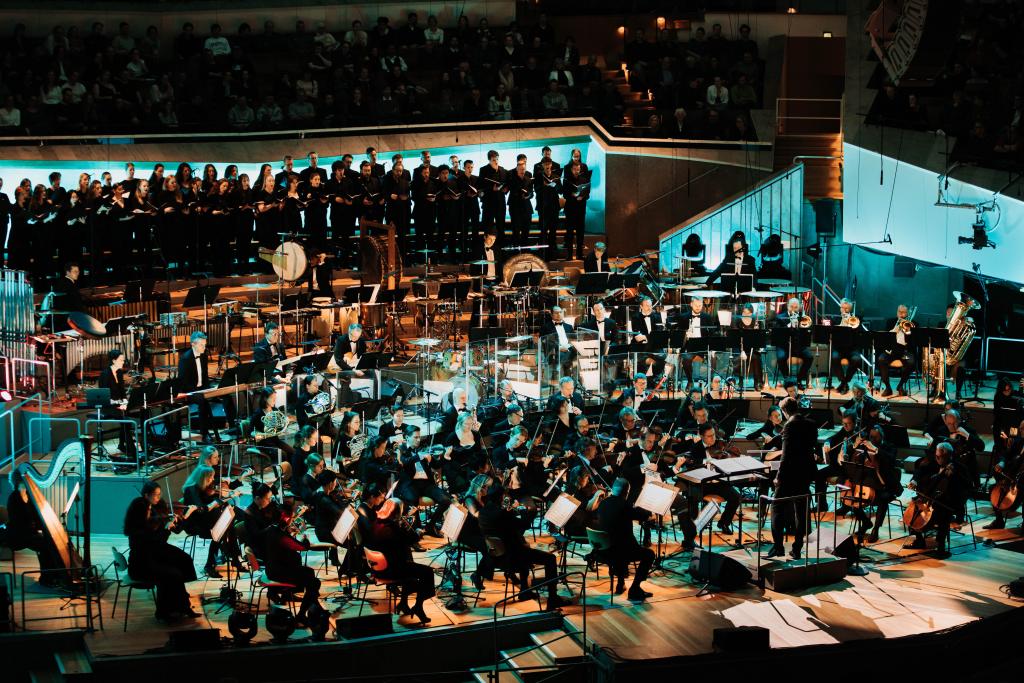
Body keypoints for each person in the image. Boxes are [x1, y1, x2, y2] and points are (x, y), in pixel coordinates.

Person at [477, 483, 571, 609]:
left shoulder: (483, 512)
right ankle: (553, 598)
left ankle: (525, 591)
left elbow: (504, 524)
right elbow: (524, 524)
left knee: (524, 549)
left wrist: (509, 513)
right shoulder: (502, 514)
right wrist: (527, 511)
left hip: (496, 557)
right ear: (501, 497)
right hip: (512, 556)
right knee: (550, 559)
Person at [123, 480, 199, 621]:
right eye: (155, 495)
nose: (158, 497)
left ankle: (181, 605)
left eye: (159, 494)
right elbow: (154, 540)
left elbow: (172, 532)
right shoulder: (138, 519)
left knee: (184, 560)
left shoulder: (158, 507)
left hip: (155, 551)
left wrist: (180, 520)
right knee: (172, 573)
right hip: (141, 561)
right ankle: (165, 612)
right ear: (146, 495)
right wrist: (165, 528)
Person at [366, 497, 434, 623]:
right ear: (396, 513)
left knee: (409, 564)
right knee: (428, 573)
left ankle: (403, 603)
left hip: (377, 569)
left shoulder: (375, 523)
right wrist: (418, 532)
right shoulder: (393, 529)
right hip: (391, 570)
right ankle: (418, 606)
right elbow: (411, 540)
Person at [766, 405, 818, 559]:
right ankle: (797, 549)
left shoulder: (789, 425)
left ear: (784, 411)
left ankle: (778, 547)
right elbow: (812, 446)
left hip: (789, 474)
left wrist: (778, 476)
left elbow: (786, 454)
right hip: (805, 472)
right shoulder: (811, 424)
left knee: (777, 507)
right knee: (801, 511)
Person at [261, 502, 321, 628]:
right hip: (279, 572)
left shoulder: (270, 529)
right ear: (285, 518)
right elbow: (302, 547)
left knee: (309, 574)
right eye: (291, 518)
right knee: (314, 582)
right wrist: (304, 537)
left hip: (272, 568)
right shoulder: (280, 535)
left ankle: (313, 604)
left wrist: (289, 532)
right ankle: (301, 614)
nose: (291, 520)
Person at [905, 442, 971, 557]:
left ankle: (941, 547)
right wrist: (914, 480)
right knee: (913, 510)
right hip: (932, 499)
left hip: (951, 503)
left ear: (948, 456)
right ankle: (919, 540)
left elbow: (968, 486)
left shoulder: (959, 468)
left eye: (939, 457)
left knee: (942, 513)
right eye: (936, 456)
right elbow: (920, 469)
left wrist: (954, 475)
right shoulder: (934, 463)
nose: (936, 458)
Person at [596, 478, 655, 601]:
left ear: (613, 489)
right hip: (619, 551)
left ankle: (620, 583)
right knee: (649, 554)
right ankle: (635, 589)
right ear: (627, 492)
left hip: (602, 550)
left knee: (619, 540)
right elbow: (645, 516)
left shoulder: (603, 503)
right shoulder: (625, 505)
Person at [4, 469, 66, 583]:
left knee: (50, 542)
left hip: (28, 532)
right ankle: (47, 578)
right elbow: (19, 523)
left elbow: (35, 517)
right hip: (17, 535)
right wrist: (37, 530)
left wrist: (46, 527)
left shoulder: (27, 494)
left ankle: (55, 575)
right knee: (45, 545)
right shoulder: (14, 498)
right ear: (21, 479)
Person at [181, 464, 241, 578]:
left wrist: (225, 496)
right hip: (195, 523)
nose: (213, 480)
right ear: (203, 478)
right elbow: (200, 510)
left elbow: (210, 503)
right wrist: (215, 502)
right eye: (211, 477)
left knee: (227, 525)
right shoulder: (191, 490)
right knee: (222, 529)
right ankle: (220, 562)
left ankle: (232, 560)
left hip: (207, 520)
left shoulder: (205, 487)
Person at [396, 425, 451, 534]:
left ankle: (430, 526)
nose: (418, 440)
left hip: (426, 484)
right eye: (415, 437)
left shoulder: (422, 448)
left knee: (446, 500)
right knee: (411, 500)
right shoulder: (401, 449)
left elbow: (436, 465)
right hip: (411, 484)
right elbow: (404, 462)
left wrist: (445, 457)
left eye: (419, 437)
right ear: (407, 437)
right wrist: (418, 456)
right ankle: (416, 530)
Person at [176, 331, 223, 443]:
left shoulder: (204, 356)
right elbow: (183, 382)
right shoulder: (185, 358)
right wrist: (199, 392)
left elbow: (205, 376)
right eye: (201, 345)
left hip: (201, 388)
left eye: (205, 345)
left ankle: (231, 426)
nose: (204, 347)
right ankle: (204, 433)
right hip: (188, 391)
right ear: (193, 344)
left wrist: (210, 389)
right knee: (203, 401)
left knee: (223, 395)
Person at [97, 348, 137, 456]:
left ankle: (122, 445)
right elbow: (105, 396)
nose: (123, 362)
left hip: (117, 404)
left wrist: (124, 401)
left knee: (128, 416)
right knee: (125, 420)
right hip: (108, 406)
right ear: (113, 360)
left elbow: (122, 391)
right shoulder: (105, 374)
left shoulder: (119, 372)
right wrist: (118, 403)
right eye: (121, 360)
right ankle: (132, 452)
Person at [774, 297, 813, 387]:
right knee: (781, 357)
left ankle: (799, 380)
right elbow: (778, 334)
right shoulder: (780, 317)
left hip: (798, 345)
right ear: (788, 306)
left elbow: (807, 333)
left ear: (799, 307)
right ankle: (788, 380)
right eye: (791, 307)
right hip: (783, 345)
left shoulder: (803, 318)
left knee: (809, 357)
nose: (793, 309)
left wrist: (800, 327)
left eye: (796, 307)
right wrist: (790, 325)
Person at [879, 304, 916, 396]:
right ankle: (888, 387)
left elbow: (914, 343)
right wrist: (894, 330)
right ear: (897, 312)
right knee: (881, 359)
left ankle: (900, 385)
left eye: (904, 312)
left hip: (905, 352)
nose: (902, 314)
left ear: (907, 314)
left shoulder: (913, 324)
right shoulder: (890, 322)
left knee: (911, 362)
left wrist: (908, 332)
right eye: (900, 312)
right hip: (891, 351)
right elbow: (884, 339)